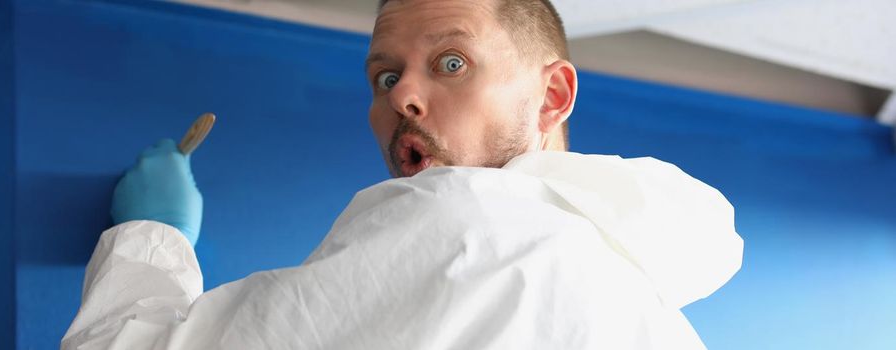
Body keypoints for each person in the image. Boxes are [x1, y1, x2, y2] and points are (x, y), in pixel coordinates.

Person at [62, 0, 743, 349]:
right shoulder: (642, 303)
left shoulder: (467, 221)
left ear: (552, 96)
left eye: (451, 63)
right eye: (385, 76)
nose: (400, 98)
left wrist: (151, 235)